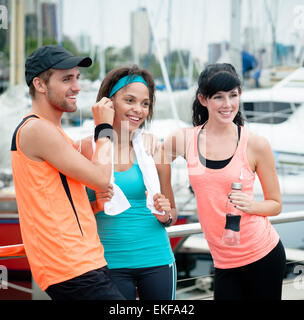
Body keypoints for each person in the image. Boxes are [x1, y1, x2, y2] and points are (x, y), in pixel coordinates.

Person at [10, 45, 125, 300]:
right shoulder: (36, 130)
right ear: (40, 84)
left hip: (85, 261)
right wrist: (104, 129)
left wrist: (95, 202)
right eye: (66, 79)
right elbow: (100, 177)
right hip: (69, 266)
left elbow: (63, 198)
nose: (77, 87)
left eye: (77, 78)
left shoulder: (55, 133)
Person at [163, 63, 286, 300]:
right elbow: (156, 162)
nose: (227, 104)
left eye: (233, 95)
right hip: (223, 262)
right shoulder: (184, 139)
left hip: (263, 254)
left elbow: (276, 204)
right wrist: (169, 202)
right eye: (218, 97)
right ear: (203, 99)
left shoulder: (255, 144)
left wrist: (251, 206)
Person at [83, 66, 177, 300]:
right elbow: (74, 212)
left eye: (145, 103)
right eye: (130, 100)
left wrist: (166, 215)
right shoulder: (85, 148)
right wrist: (97, 204)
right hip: (108, 263)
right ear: (109, 102)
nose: (139, 110)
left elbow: (171, 214)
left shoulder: (154, 148)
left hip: (157, 260)